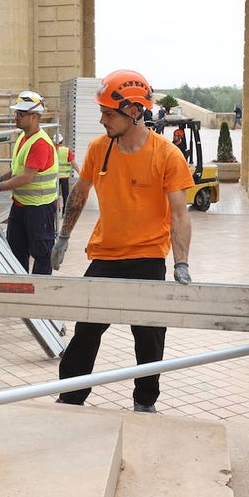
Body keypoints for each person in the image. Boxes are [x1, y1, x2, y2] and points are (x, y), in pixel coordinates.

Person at [51, 69, 193, 413]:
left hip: (147, 257)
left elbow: (179, 213)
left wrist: (181, 263)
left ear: (133, 111)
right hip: (105, 255)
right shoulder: (100, 149)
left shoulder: (166, 155)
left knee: (149, 335)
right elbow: (80, 193)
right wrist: (64, 237)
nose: (102, 120)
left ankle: (145, 402)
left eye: (108, 113)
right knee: (85, 331)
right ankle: (70, 398)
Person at [0, 90, 58, 274]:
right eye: (16, 113)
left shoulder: (40, 143)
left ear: (34, 117)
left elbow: (26, 177)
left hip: (39, 208)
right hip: (21, 205)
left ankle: (39, 292)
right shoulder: (24, 137)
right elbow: (18, 169)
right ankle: (20, 289)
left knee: (42, 254)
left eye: (21, 114)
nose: (16, 117)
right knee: (16, 251)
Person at [53, 132, 81, 210]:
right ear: (62, 141)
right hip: (64, 177)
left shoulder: (52, 150)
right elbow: (73, 163)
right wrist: (80, 173)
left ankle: (56, 209)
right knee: (65, 195)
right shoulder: (67, 150)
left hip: (54, 177)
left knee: (54, 195)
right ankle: (65, 210)